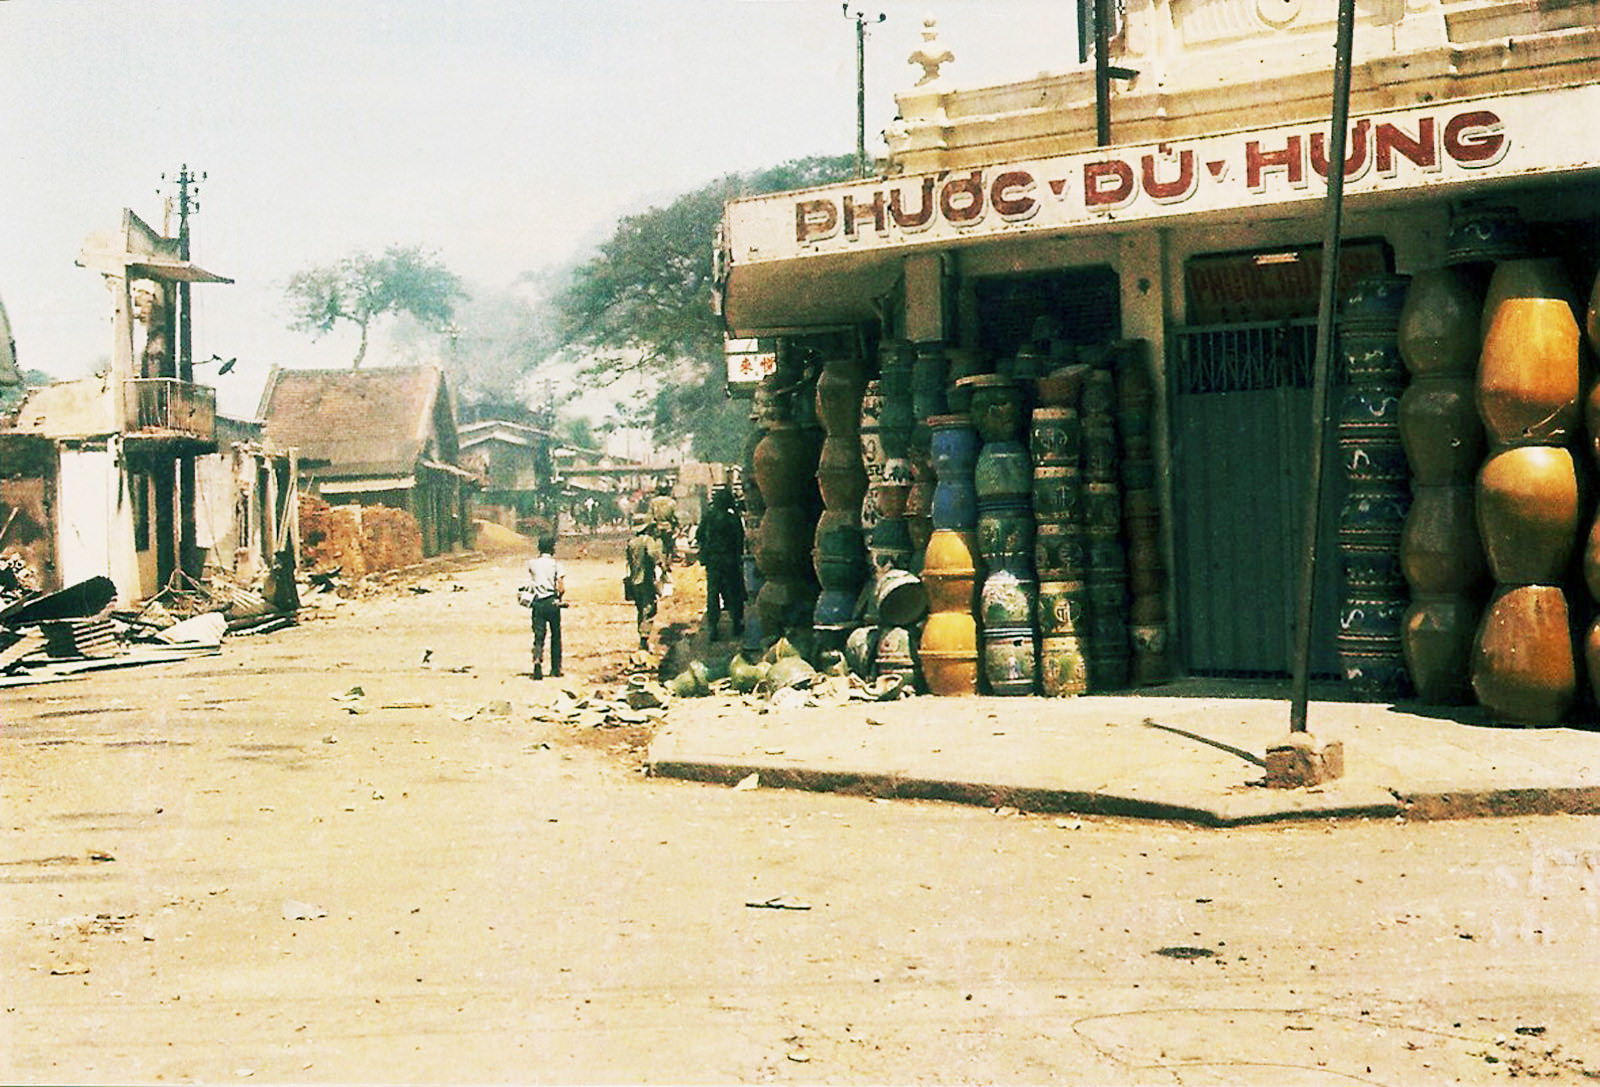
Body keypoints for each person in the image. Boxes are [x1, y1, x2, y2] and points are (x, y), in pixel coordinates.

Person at [695, 485, 746, 641]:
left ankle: (713, 627)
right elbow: (740, 540)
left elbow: (699, 535)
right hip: (730, 561)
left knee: (713, 594)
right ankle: (736, 623)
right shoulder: (732, 519)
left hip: (713, 561)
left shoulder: (708, 518)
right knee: (733, 592)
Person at [625, 513, 666, 650]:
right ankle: (644, 639)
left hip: (634, 581)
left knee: (640, 609)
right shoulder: (647, 540)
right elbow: (653, 555)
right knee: (649, 609)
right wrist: (662, 566)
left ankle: (642, 636)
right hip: (646, 580)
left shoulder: (631, 542)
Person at [526, 534, 564, 679]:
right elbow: (561, 587)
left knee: (539, 635)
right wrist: (559, 599)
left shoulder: (532, 564)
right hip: (552, 602)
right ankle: (556, 669)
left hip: (538, 603)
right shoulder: (556, 565)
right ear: (552, 548)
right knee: (555, 635)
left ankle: (537, 661)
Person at [647, 479, 680, 568]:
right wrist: (677, 526)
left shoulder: (653, 502)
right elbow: (675, 516)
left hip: (658, 527)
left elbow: (650, 516)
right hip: (668, 527)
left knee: (658, 547)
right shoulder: (672, 502)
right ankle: (668, 563)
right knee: (669, 547)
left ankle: (661, 564)